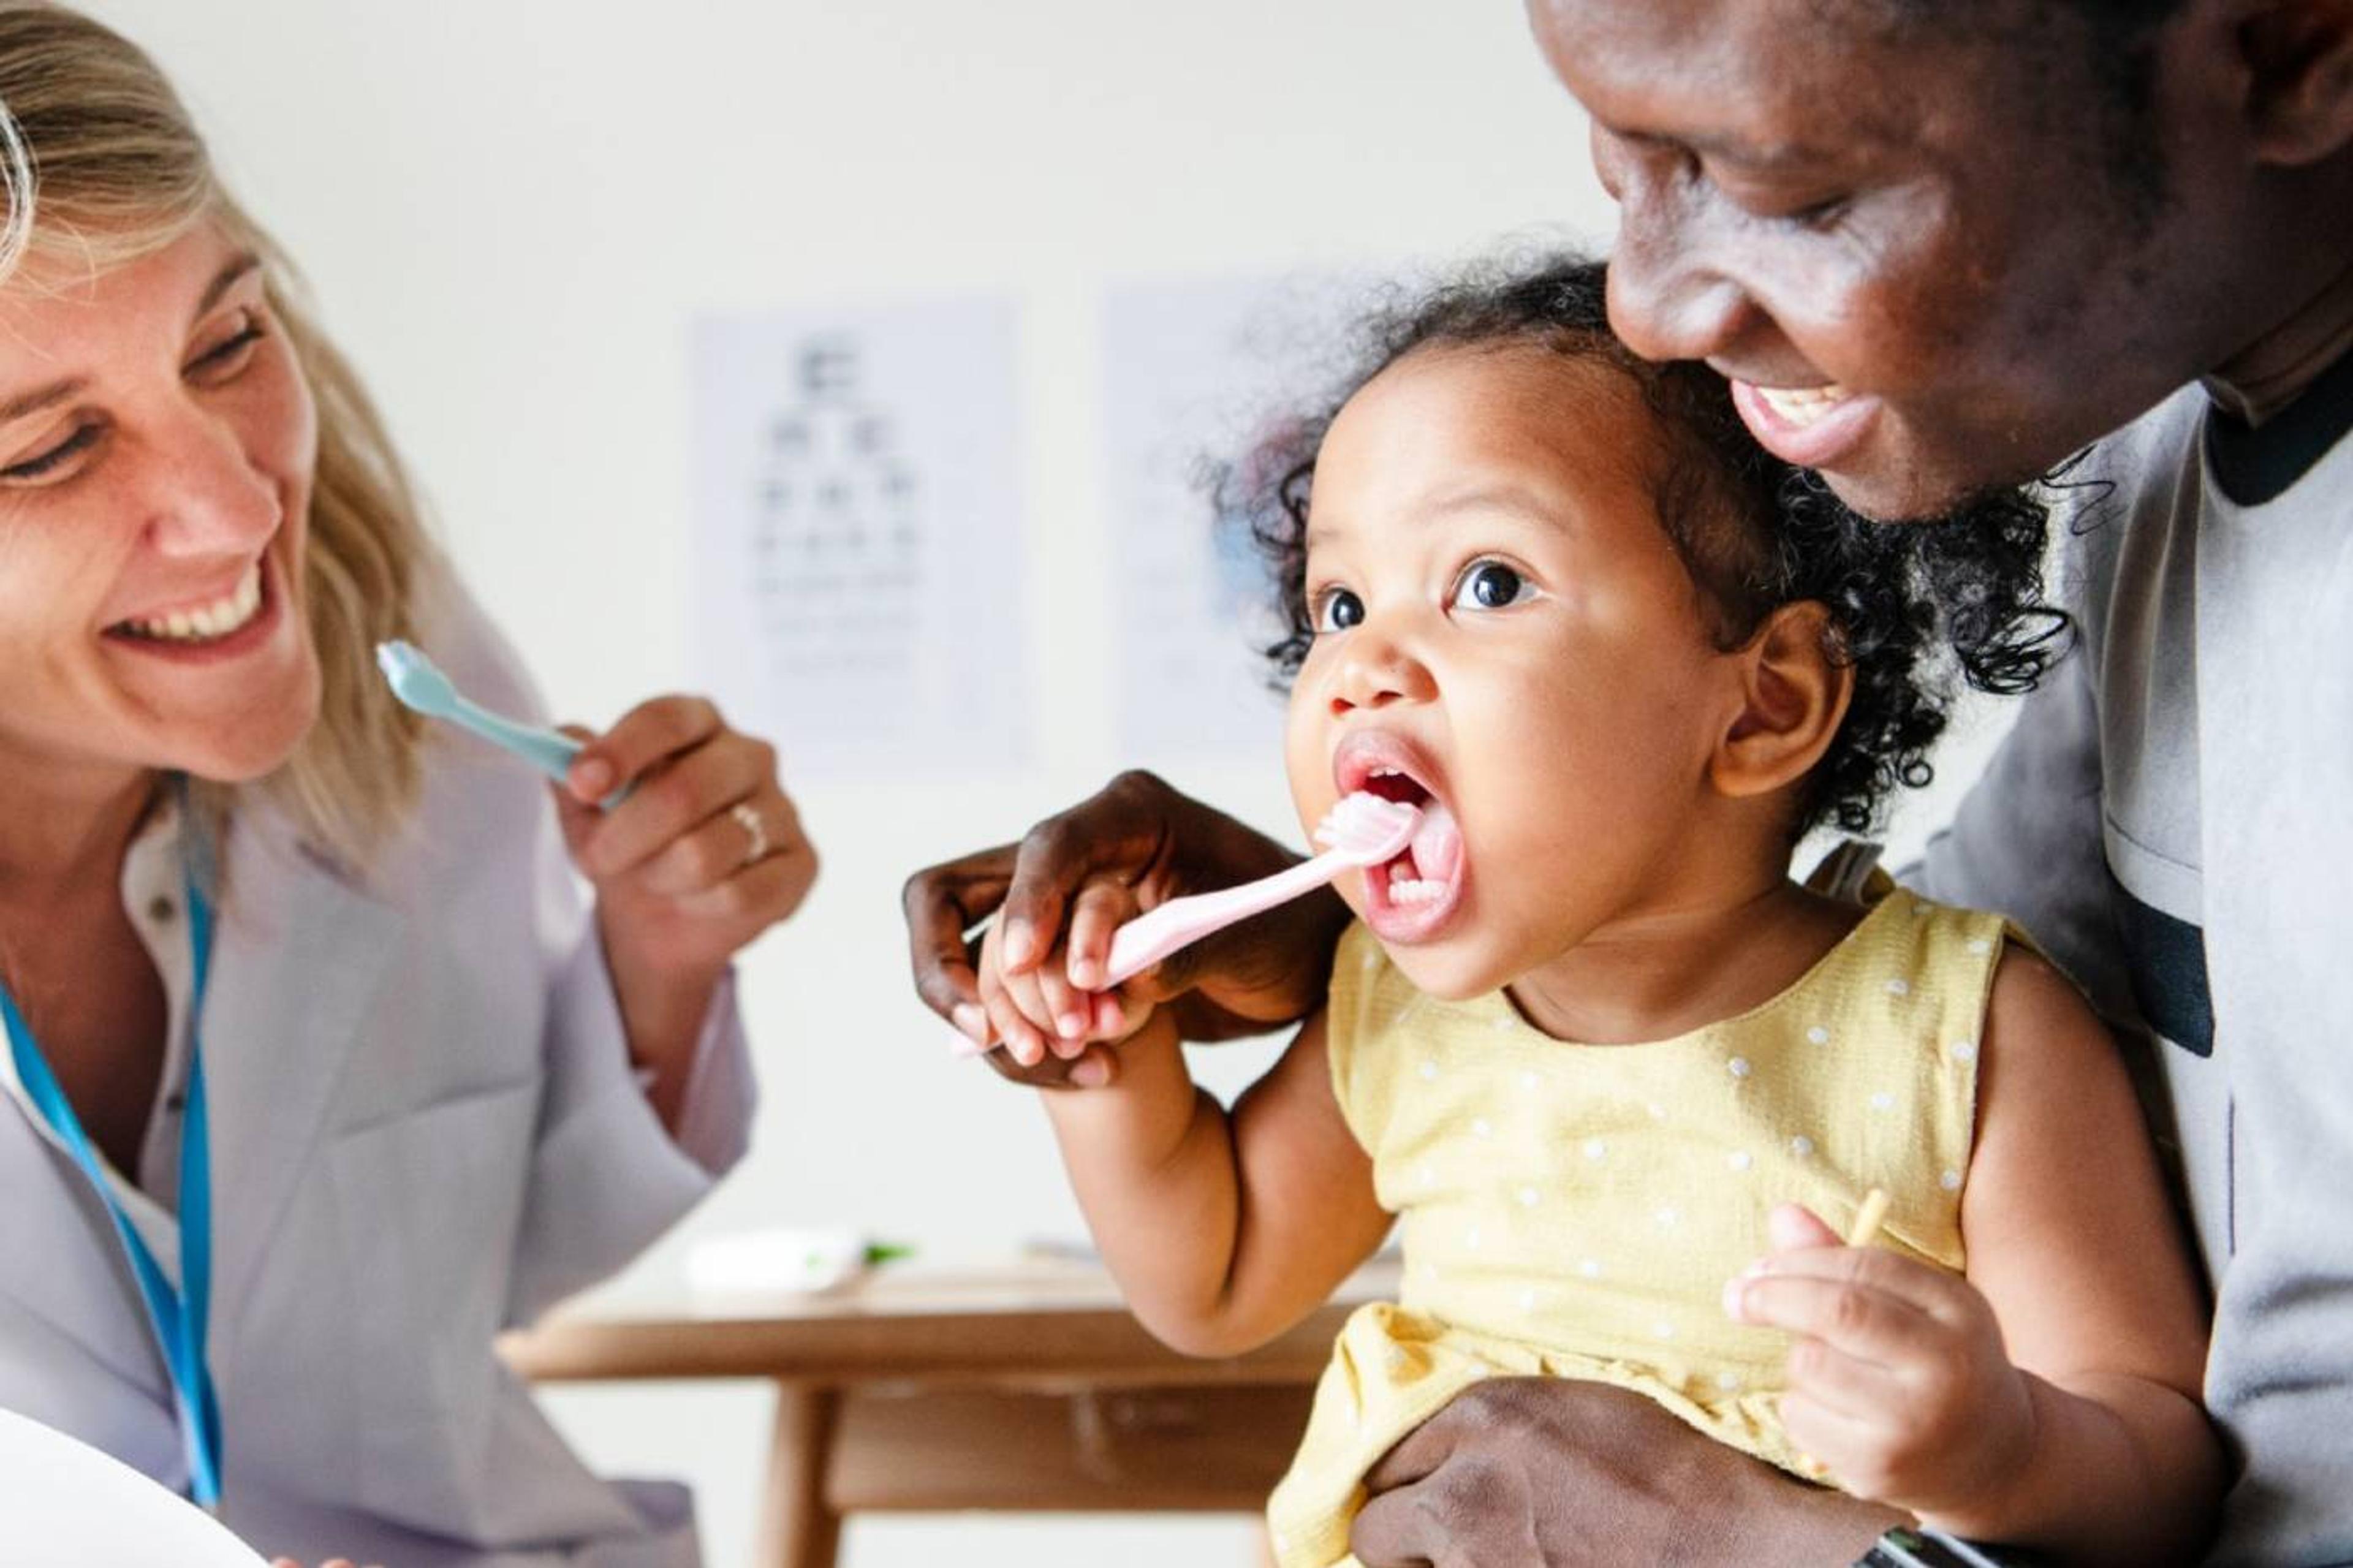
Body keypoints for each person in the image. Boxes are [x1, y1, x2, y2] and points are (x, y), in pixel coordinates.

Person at [906, 1, 2353, 1561]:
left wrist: (1987, 1455)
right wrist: (1114, 1059)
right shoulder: (1411, 1022)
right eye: (1338, 608)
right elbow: (1218, 1268)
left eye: (1486, 585)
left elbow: (2148, 1451)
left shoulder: (1970, 1035)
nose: (1652, 301)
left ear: (1764, 705)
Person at [0, 7, 816, 1564]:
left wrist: (658, 961)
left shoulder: (417, 687)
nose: (237, 510)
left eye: (227, 344)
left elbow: (467, 1276)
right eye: (51, 450)